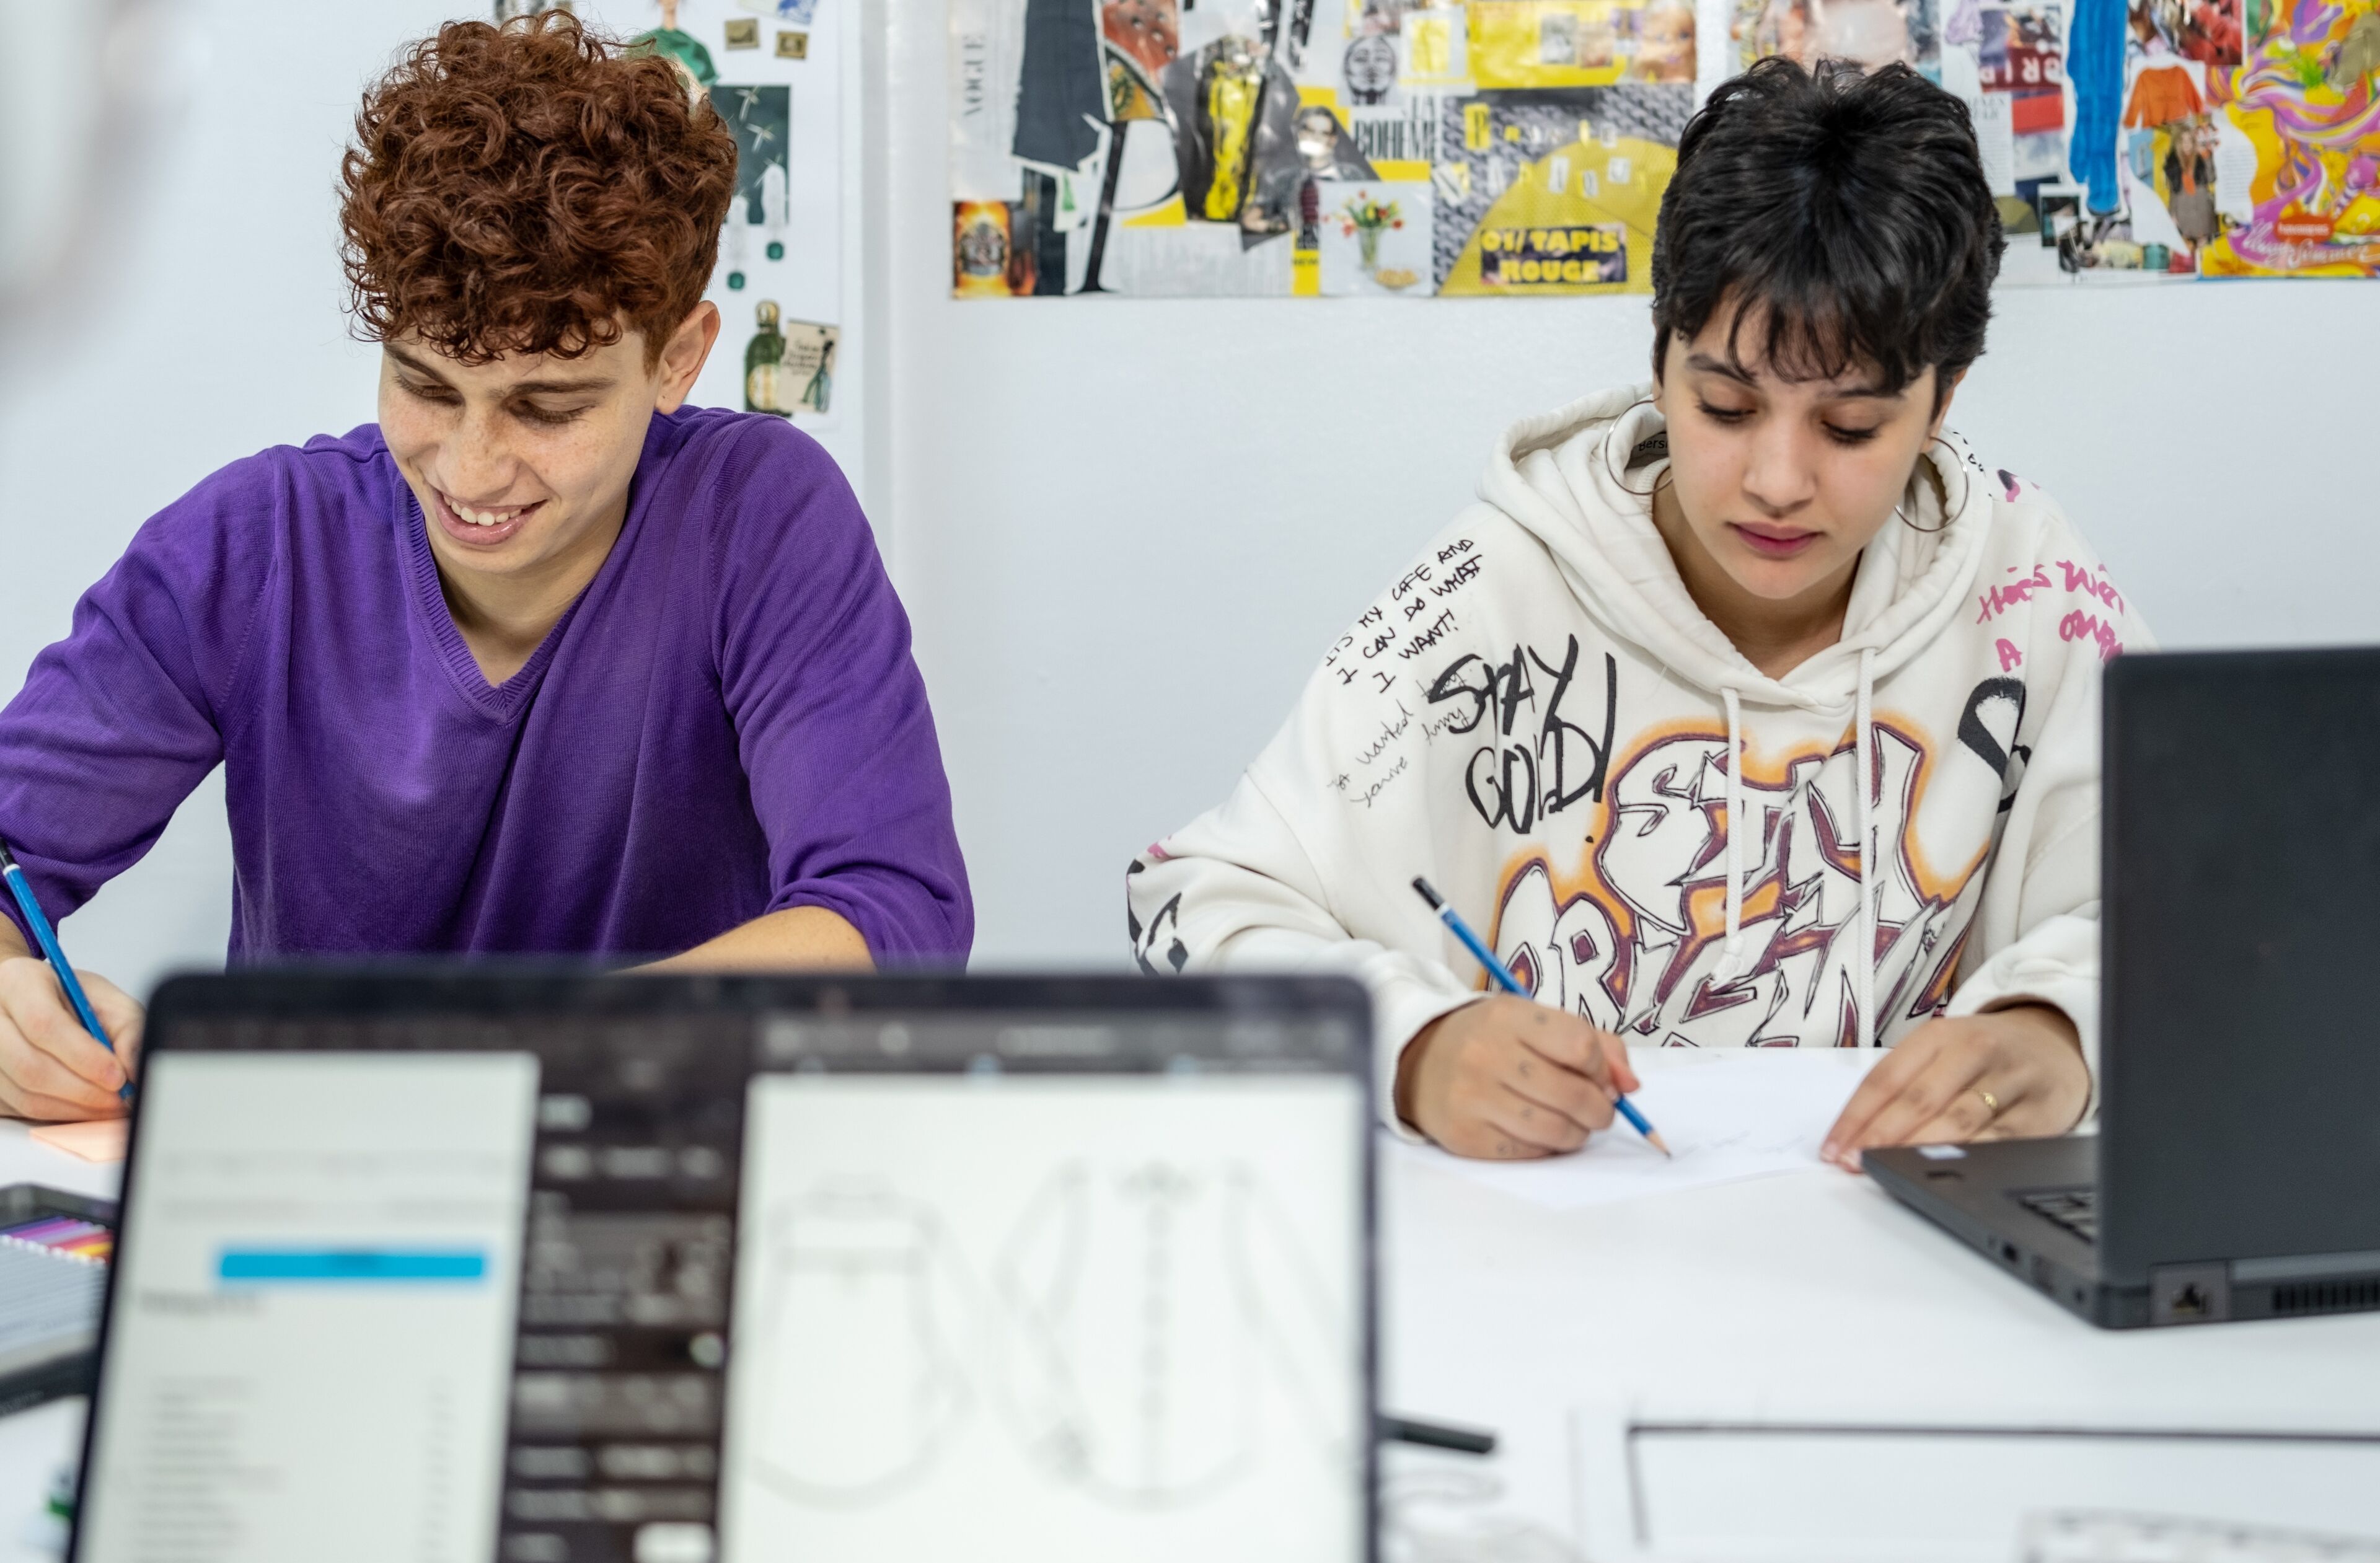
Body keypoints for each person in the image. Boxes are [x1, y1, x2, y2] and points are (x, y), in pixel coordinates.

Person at [1127, 58, 2148, 1165]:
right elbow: (1194, 905)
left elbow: (2208, 921)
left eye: (1850, 428)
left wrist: (2059, 1032)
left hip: (1919, 1279)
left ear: (1943, 400)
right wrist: (1417, 1049)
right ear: (1659, 361)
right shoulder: (1493, 591)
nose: (1776, 479)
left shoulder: (2033, 594)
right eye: (1724, 406)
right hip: (1559, 1278)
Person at [0, 14, 972, 1122]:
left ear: (682, 359)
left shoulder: (760, 518)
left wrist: (498, 1069)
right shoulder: (252, 544)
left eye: (545, 406)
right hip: (309, 1204)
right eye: (425, 386)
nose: (470, 467)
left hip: (652, 1164)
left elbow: (893, 918)